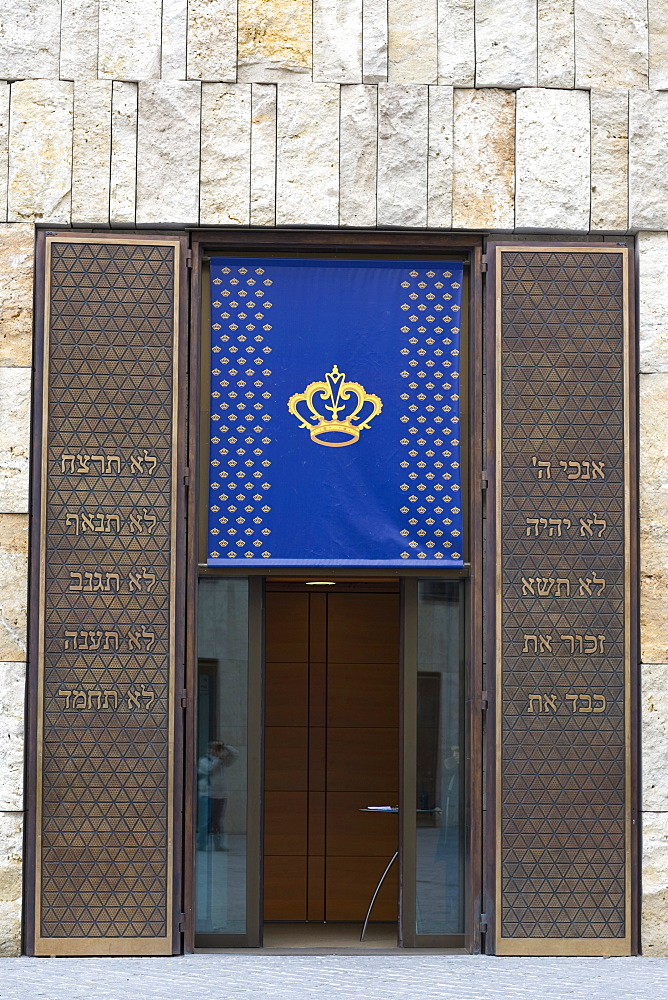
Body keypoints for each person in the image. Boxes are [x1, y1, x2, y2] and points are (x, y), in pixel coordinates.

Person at [197, 740, 239, 851]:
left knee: (217, 821)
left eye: (216, 749)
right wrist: (218, 758)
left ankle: (218, 844)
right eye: (213, 749)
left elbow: (235, 754)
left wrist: (225, 745)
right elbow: (209, 769)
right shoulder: (204, 761)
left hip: (220, 795)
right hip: (207, 795)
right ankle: (201, 844)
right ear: (209, 750)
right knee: (205, 822)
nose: (214, 751)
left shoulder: (222, 761)